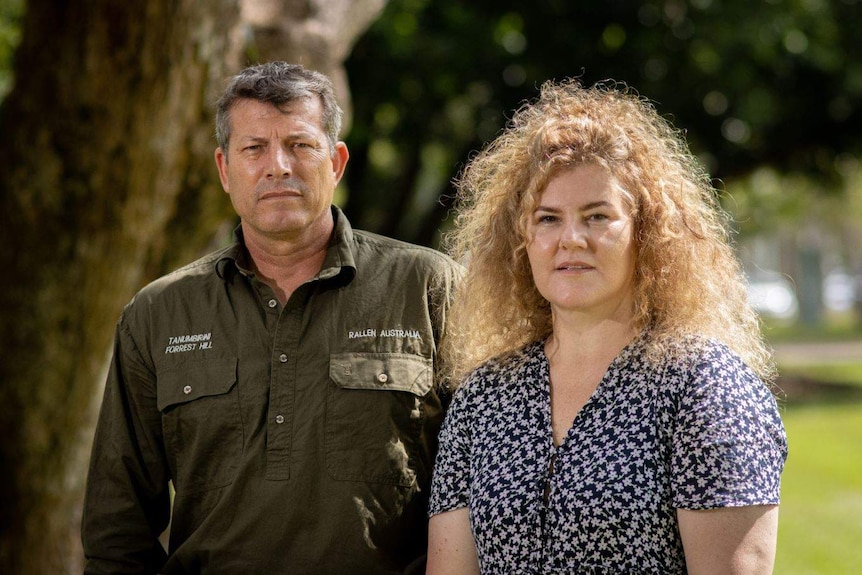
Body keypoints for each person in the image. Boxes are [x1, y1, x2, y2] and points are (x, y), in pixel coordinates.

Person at [82, 62, 461, 574]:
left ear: (337, 162)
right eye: (254, 148)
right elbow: (116, 527)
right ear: (223, 168)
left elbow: (486, 486)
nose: (277, 165)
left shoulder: (429, 287)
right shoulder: (158, 313)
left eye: (300, 145)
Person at [426, 79, 788, 574]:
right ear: (521, 239)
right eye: (548, 219)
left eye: (598, 216)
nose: (571, 239)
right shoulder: (484, 396)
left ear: (648, 233)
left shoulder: (704, 386)